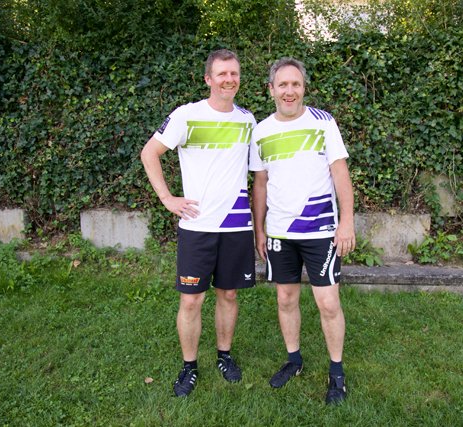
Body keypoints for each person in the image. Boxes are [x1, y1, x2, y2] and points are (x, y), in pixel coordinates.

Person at [140, 49, 257, 397]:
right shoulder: (186, 115)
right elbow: (149, 153)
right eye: (222, 74)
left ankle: (224, 355)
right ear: (208, 79)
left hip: (236, 224)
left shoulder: (247, 120)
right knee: (191, 300)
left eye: (234, 73)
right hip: (197, 226)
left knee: (229, 294)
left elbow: (258, 173)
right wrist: (167, 198)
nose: (229, 79)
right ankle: (189, 366)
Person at [249, 57, 356, 405]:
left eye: (295, 84)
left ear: (304, 88)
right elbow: (260, 183)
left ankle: (336, 373)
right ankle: (294, 360)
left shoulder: (323, 122)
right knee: (285, 298)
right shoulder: (261, 131)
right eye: (283, 84)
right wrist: (260, 230)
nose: (289, 91)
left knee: (328, 302)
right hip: (280, 233)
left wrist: (346, 221)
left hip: (321, 230)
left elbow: (340, 173)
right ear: (271, 90)